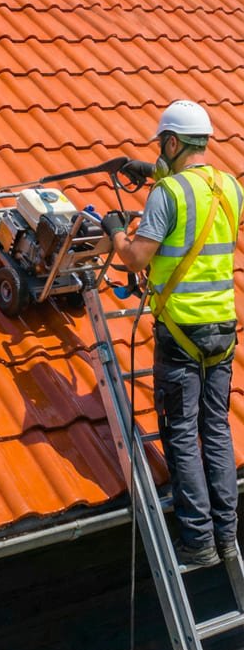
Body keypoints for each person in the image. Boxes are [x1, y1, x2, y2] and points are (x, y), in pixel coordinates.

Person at [101, 99, 243, 567]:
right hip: (222, 331)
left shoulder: (167, 194)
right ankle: (226, 536)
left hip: (180, 332)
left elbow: (136, 259)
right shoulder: (230, 187)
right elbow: (196, 210)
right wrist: (154, 173)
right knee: (215, 429)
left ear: (173, 142)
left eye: (162, 143)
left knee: (181, 433)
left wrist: (116, 230)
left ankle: (198, 540)